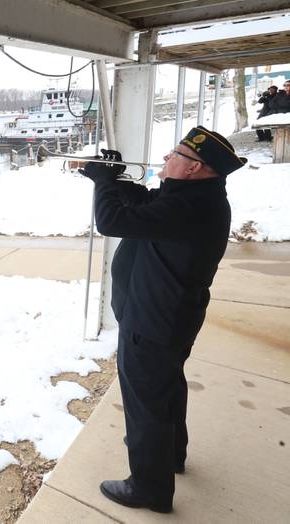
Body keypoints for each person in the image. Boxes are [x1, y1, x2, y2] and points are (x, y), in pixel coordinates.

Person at [80, 126, 245, 514]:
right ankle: (170, 454)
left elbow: (112, 221)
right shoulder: (192, 197)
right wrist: (113, 177)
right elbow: (143, 200)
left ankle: (149, 488)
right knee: (165, 389)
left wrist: (103, 185)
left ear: (194, 167)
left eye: (176, 154)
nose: (167, 158)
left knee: (146, 404)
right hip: (165, 317)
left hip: (152, 321)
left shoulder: (188, 208)